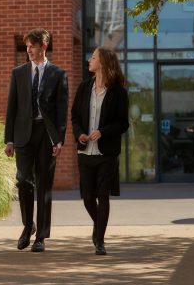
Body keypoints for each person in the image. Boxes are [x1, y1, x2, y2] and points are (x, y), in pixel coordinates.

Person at [4, 28, 68, 252]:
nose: (28, 50)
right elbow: (11, 108)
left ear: (43, 46)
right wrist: (9, 139)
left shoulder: (58, 74)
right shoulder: (18, 73)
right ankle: (27, 225)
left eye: (32, 46)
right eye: (27, 47)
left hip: (46, 135)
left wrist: (59, 139)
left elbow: (62, 110)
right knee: (23, 180)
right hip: (23, 134)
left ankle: (41, 235)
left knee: (44, 184)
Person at [71, 46, 129, 255]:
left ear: (102, 62)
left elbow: (123, 124)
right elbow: (75, 117)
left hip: (107, 153)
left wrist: (102, 132)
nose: (90, 59)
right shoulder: (84, 87)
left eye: (93, 57)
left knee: (102, 195)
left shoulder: (118, 92)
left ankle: (100, 241)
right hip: (85, 152)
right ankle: (99, 225)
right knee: (87, 197)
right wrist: (79, 134)